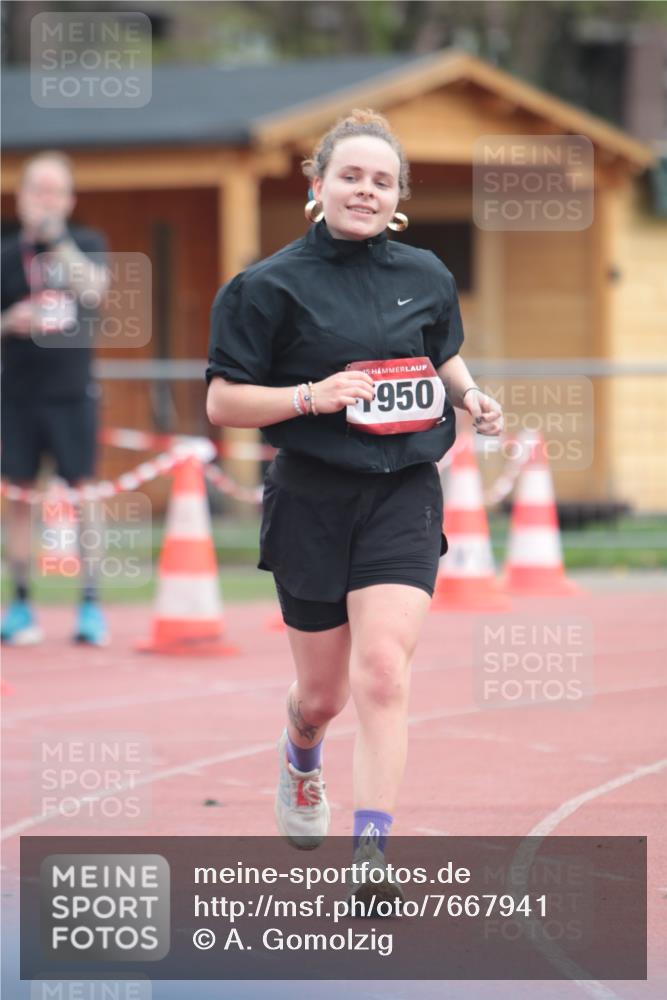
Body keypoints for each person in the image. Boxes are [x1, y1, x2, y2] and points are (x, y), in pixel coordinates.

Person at [206, 110, 503, 905]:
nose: (364, 191)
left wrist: (470, 394)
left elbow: (439, 354)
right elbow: (223, 404)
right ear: (317, 185)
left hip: (403, 491)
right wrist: (311, 396)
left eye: (381, 181)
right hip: (311, 498)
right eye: (350, 176)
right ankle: (302, 753)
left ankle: (370, 853)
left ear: (397, 197)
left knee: (383, 672)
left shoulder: (426, 275)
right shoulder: (265, 287)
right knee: (322, 697)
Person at [1, 151, 110, 646]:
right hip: (17, 393)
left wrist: (57, 242)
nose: (44, 200)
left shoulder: (86, 243)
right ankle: (21, 602)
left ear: (68, 200)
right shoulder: (5, 253)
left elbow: (95, 291)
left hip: (72, 392)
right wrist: (11, 321)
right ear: (20, 196)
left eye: (54, 191)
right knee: (19, 495)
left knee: (84, 492)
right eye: (36, 190)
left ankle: (90, 605)